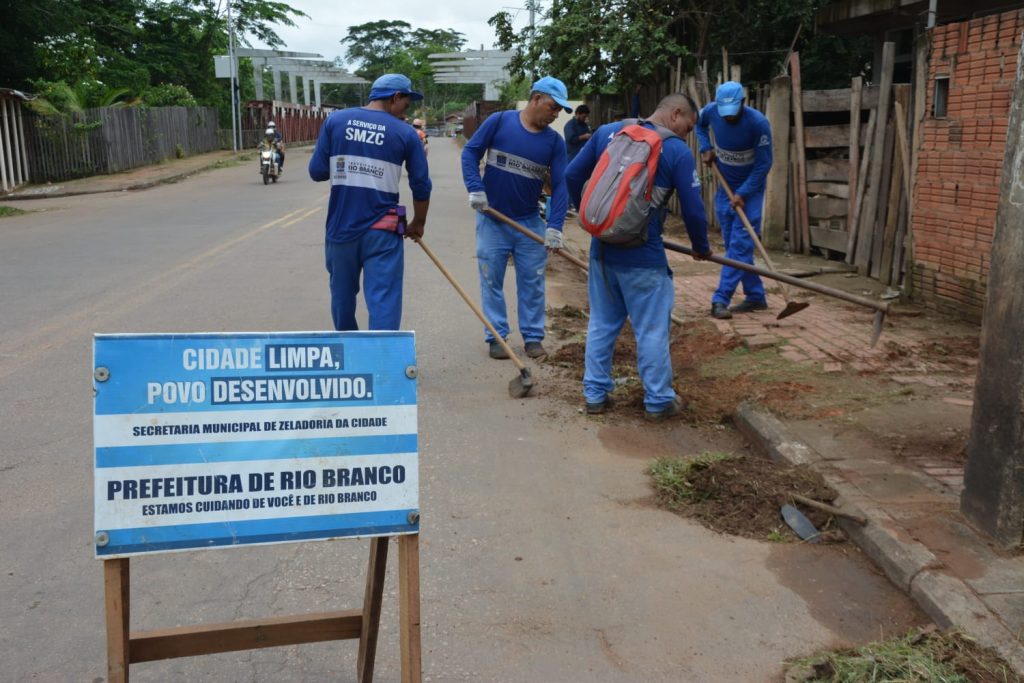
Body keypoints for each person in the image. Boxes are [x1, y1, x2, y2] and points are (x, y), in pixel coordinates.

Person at [566, 93, 712, 422]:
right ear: (676, 114)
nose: (686, 134)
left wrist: (596, 222)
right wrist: (701, 246)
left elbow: (572, 175)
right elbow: (693, 209)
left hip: (602, 251)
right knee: (651, 331)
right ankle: (659, 401)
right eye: (688, 127)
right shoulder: (674, 150)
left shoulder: (607, 133)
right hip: (643, 258)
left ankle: (595, 395)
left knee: (602, 324)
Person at [308, 73, 431, 331]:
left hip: (341, 227)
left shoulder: (336, 121)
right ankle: (382, 361)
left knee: (342, 298)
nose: (405, 113)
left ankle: (351, 356)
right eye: (406, 105)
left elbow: (317, 171)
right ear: (395, 97)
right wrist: (418, 222)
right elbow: (421, 185)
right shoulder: (406, 134)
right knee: (384, 299)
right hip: (384, 230)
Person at [461, 75, 572, 360]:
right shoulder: (499, 122)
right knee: (491, 280)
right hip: (492, 219)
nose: (555, 113)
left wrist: (555, 227)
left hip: (528, 221)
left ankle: (533, 337)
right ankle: (496, 336)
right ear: (536, 99)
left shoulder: (553, 143)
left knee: (533, 283)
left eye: (560, 109)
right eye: (552, 106)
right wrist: (475, 188)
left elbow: (561, 187)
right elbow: (470, 153)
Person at [695, 80, 773, 320]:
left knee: (739, 247)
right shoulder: (710, 111)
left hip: (749, 193)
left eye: (732, 112)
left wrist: (744, 192)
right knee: (735, 247)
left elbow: (763, 164)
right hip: (725, 188)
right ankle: (756, 296)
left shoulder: (758, 123)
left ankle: (720, 299)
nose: (728, 118)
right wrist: (706, 146)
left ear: (743, 103)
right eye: (724, 113)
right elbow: (698, 125)